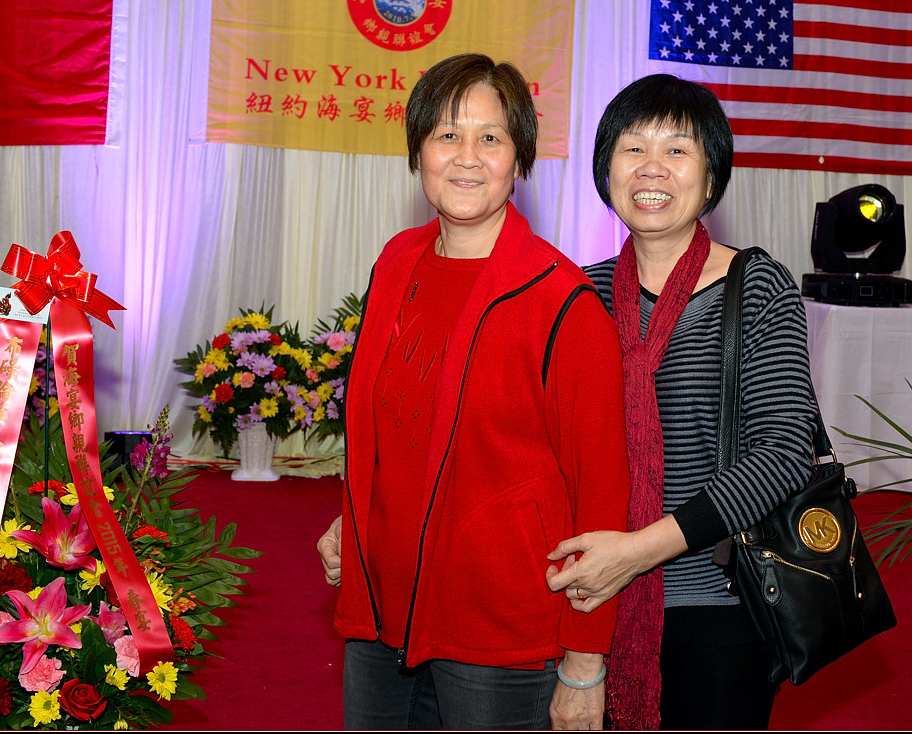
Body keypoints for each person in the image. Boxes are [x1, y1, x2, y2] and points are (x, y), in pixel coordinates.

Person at [316, 53, 630, 731]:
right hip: (383, 605)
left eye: (490, 137)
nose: (467, 156)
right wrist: (358, 518)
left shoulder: (562, 302)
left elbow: (603, 495)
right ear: (418, 152)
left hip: (499, 626)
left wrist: (585, 659)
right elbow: (391, 430)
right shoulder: (396, 263)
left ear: (519, 159)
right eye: (446, 135)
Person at [544, 74, 819, 730]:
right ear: (606, 168)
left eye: (677, 149)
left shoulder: (757, 286)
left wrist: (638, 552)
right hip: (589, 601)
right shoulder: (576, 294)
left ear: (712, 174)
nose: (652, 167)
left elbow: (784, 454)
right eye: (633, 147)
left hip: (720, 605)